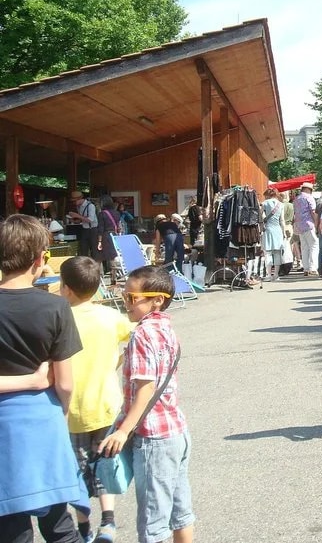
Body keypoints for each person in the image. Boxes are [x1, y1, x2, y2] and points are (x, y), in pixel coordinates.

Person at [0, 214, 88, 543]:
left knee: (11, 527)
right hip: (43, 419)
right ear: (40, 259)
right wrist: (60, 410)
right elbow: (64, 382)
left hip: (3, 426)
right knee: (59, 524)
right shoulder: (55, 308)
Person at [99, 265, 195, 543]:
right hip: (176, 429)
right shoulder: (167, 330)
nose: (126, 302)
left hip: (153, 436)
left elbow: (145, 388)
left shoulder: (142, 334)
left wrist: (123, 430)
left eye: (132, 298)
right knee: (181, 514)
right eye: (124, 295)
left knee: (153, 525)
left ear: (158, 300)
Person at [60, 256, 133, 543]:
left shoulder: (60, 317)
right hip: (106, 402)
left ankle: (83, 526)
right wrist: (118, 359)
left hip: (71, 409)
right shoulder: (110, 317)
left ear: (65, 287)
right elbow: (135, 334)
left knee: (76, 469)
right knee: (105, 463)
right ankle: (109, 520)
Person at [261, 188, 287, 281]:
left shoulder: (264, 203)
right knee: (277, 253)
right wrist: (284, 232)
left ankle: (268, 275)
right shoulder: (281, 205)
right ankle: (276, 274)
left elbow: (261, 218)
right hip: (278, 230)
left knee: (267, 253)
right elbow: (282, 220)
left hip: (268, 229)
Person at [294, 182, 319, 276]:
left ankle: (306, 268)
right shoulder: (309, 197)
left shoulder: (297, 198)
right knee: (314, 245)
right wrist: (316, 224)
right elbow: (313, 212)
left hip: (299, 225)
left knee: (304, 248)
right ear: (309, 189)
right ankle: (313, 268)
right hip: (309, 224)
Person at [96, 195, 121, 282]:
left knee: (99, 257)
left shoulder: (102, 214)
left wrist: (99, 241)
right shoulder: (117, 213)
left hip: (105, 236)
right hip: (114, 235)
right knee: (112, 256)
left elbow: (100, 228)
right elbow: (119, 227)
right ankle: (113, 278)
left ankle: (99, 278)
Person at [68, 189, 99, 258]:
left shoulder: (90, 206)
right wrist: (74, 220)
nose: (73, 203)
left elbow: (90, 219)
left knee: (94, 250)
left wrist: (76, 215)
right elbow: (82, 219)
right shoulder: (79, 207)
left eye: (74, 201)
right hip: (85, 229)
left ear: (79, 199)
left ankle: (96, 266)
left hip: (93, 230)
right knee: (83, 249)